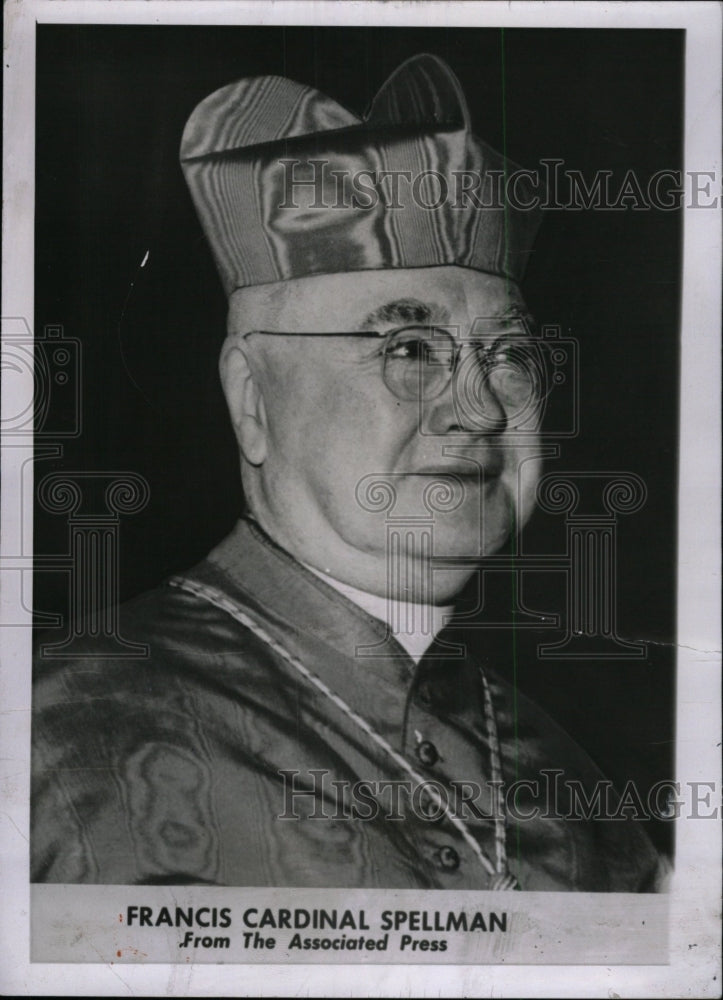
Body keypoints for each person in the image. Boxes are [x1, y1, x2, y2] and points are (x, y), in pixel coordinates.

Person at [31, 54, 663, 891]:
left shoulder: (583, 795)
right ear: (252, 400)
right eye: (407, 348)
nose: (476, 409)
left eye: (508, 354)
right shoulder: (54, 729)